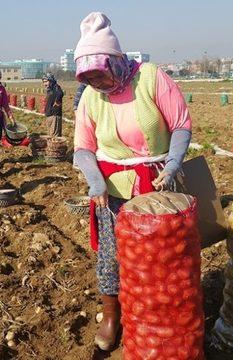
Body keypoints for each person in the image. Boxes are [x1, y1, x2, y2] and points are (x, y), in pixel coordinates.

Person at [72, 12, 193, 351]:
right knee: (112, 255)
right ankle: (113, 317)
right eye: (90, 78)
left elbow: (181, 124)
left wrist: (171, 166)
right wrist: (95, 182)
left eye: (101, 75)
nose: (98, 83)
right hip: (113, 190)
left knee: (163, 254)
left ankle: (162, 315)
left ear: (116, 61)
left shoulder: (152, 78)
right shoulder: (90, 98)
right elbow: (83, 148)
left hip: (158, 184)